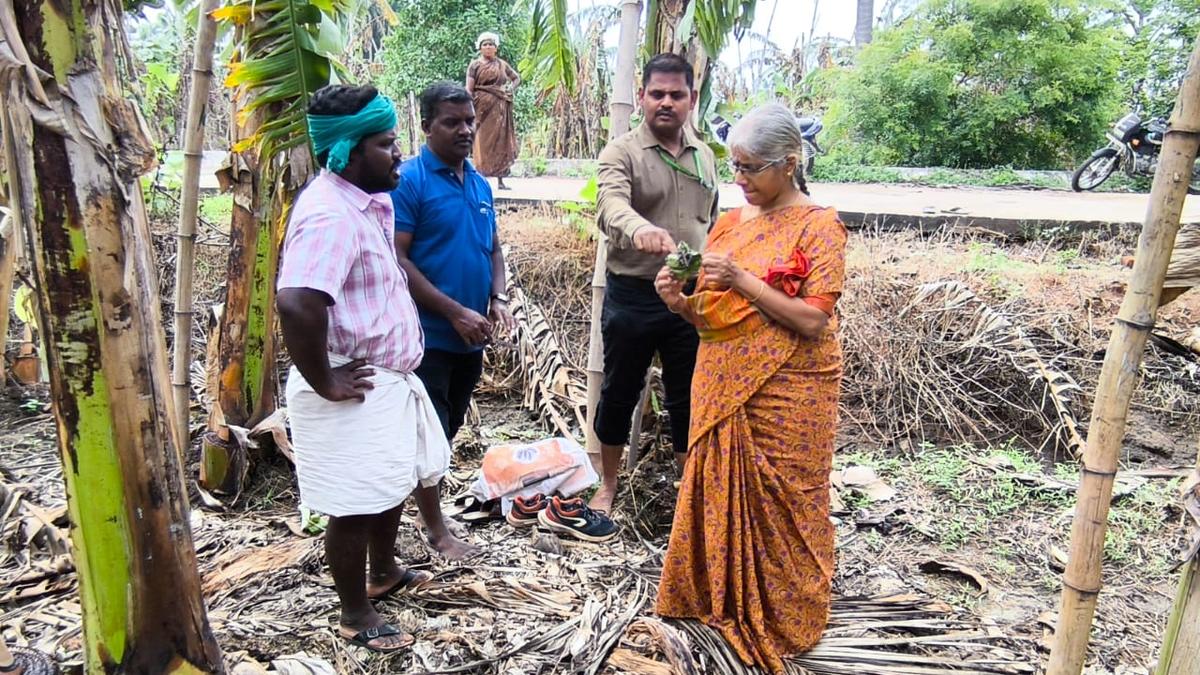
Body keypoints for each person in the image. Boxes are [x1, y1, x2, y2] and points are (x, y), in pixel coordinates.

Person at [653, 103, 847, 673]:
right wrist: (678, 301)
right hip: (721, 379)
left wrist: (743, 279)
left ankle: (786, 615)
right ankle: (717, 602)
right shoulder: (731, 225)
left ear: (788, 164)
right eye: (733, 167)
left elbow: (813, 320)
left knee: (790, 498)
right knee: (718, 483)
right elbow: (712, 317)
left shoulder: (820, 226)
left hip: (793, 388)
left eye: (750, 168)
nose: (739, 180)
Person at [276, 84, 447, 653]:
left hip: (382, 381)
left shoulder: (366, 201)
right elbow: (299, 299)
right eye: (385, 144)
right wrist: (326, 379)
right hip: (353, 380)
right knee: (355, 503)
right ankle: (354, 611)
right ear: (347, 151)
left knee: (387, 484)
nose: (398, 153)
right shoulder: (329, 215)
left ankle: (384, 570)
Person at [590, 53, 719, 515]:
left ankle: (688, 490)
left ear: (692, 99)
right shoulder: (620, 152)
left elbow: (713, 221)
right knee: (619, 391)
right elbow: (609, 205)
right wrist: (636, 227)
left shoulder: (704, 155)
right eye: (657, 94)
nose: (666, 102)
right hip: (634, 295)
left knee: (689, 395)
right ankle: (607, 486)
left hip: (689, 297)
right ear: (641, 96)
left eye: (676, 95)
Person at [391, 82, 516, 557]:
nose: (465, 130)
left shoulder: (480, 183)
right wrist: (454, 311)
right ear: (426, 126)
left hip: (472, 338)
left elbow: (494, 247)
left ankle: (417, 513)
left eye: (470, 121)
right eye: (452, 122)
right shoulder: (410, 181)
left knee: (448, 429)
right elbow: (398, 259)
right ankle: (435, 530)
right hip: (429, 337)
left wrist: (497, 298)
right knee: (431, 433)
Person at [466, 32, 520, 190]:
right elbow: (469, 89)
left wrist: (510, 88)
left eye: (491, 44)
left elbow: (516, 78)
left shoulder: (502, 65)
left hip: (500, 109)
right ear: (480, 48)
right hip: (481, 108)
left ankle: (501, 181)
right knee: (481, 143)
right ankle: (480, 180)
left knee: (501, 144)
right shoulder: (474, 65)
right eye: (485, 44)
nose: (488, 47)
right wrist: (469, 107)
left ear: (496, 48)